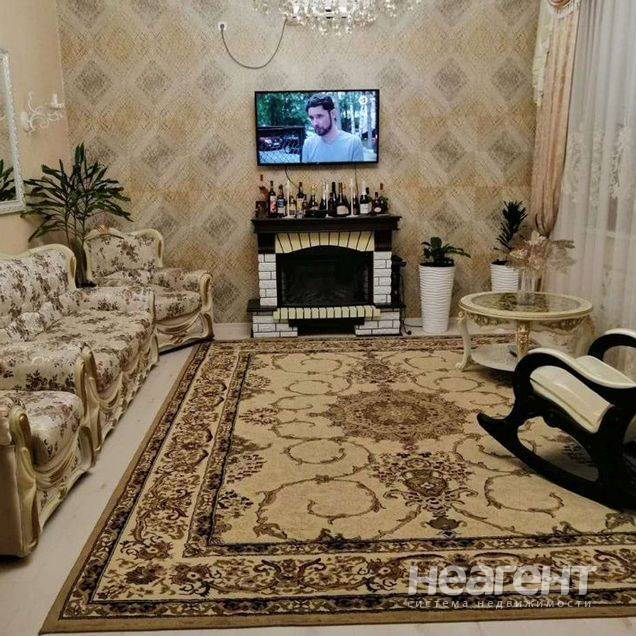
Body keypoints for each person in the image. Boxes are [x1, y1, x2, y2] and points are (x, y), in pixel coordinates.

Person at [301, 93, 364, 163]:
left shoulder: (353, 143)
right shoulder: (308, 144)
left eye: (319, 116)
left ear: (333, 114)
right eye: (312, 118)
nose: (315, 123)